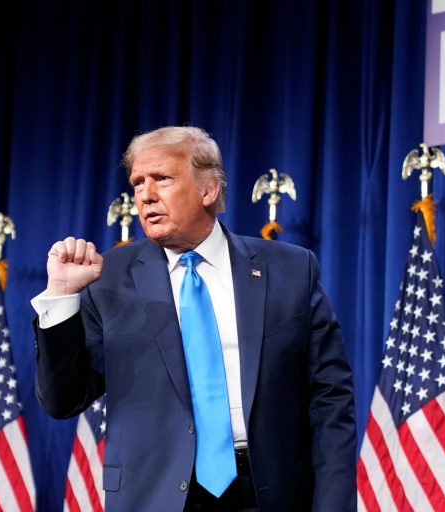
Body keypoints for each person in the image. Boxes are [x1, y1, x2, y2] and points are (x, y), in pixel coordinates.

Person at [31, 126, 356, 511]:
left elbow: (331, 400)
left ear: (208, 190)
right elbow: (62, 401)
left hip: (269, 492)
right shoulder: (109, 278)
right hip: (155, 497)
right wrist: (62, 298)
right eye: (137, 183)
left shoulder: (289, 269)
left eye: (162, 179)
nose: (145, 195)